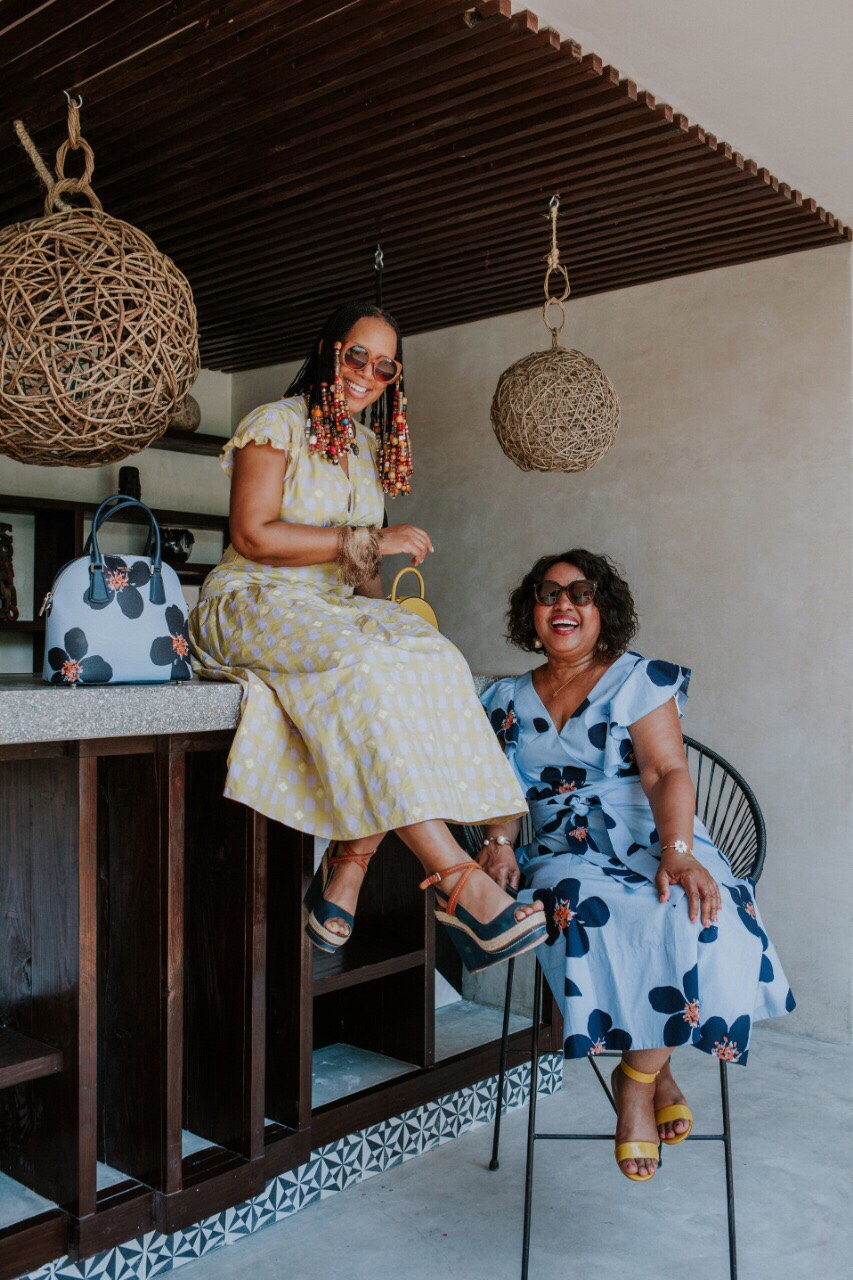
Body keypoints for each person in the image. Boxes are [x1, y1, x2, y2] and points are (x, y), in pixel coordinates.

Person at [189, 300, 546, 973]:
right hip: (250, 601)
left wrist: (389, 621)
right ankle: (456, 880)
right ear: (327, 351)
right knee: (365, 662)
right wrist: (371, 540)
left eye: (385, 367)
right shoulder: (274, 423)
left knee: (430, 656)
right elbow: (253, 534)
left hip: (331, 610)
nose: (368, 375)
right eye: (357, 356)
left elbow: (357, 573)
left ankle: (348, 865)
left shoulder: (365, 446)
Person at [478, 550, 794, 1180]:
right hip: (564, 850)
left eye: (581, 593)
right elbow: (497, 787)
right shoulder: (505, 697)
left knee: (687, 907)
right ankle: (659, 1067)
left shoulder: (638, 679)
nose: (563, 604)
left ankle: (635, 1078)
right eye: (548, 593)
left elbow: (666, 770)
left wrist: (677, 855)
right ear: (531, 612)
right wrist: (498, 840)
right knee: (596, 911)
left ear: (604, 610)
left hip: (654, 833)